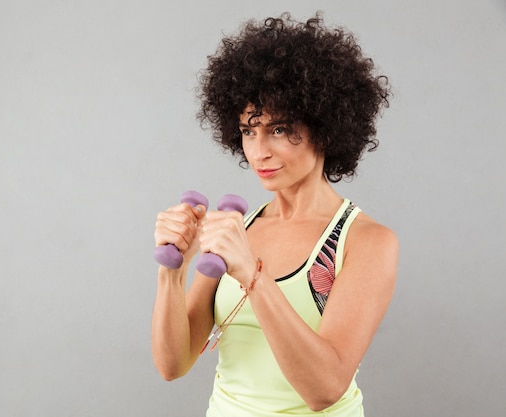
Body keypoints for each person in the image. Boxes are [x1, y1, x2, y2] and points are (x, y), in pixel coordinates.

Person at [151, 12, 398, 417]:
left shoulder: (366, 241)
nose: (259, 150)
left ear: (326, 127)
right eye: (249, 130)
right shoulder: (239, 229)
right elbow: (172, 364)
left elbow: (326, 389)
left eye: (279, 129)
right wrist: (173, 268)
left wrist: (252, 275)